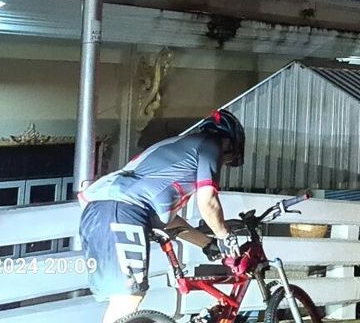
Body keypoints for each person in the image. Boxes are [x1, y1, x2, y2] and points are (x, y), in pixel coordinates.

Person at [79, 110, 245, 323]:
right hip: (124, 210)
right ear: (229, 142)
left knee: (122, 297)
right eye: (228, 159)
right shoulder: (210, 145)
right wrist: (224, 237)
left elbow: (168, 222)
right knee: (128, 297)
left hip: (99, 211)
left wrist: (206, 244)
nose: (223, 163)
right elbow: (208, 202)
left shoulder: (179, 149)